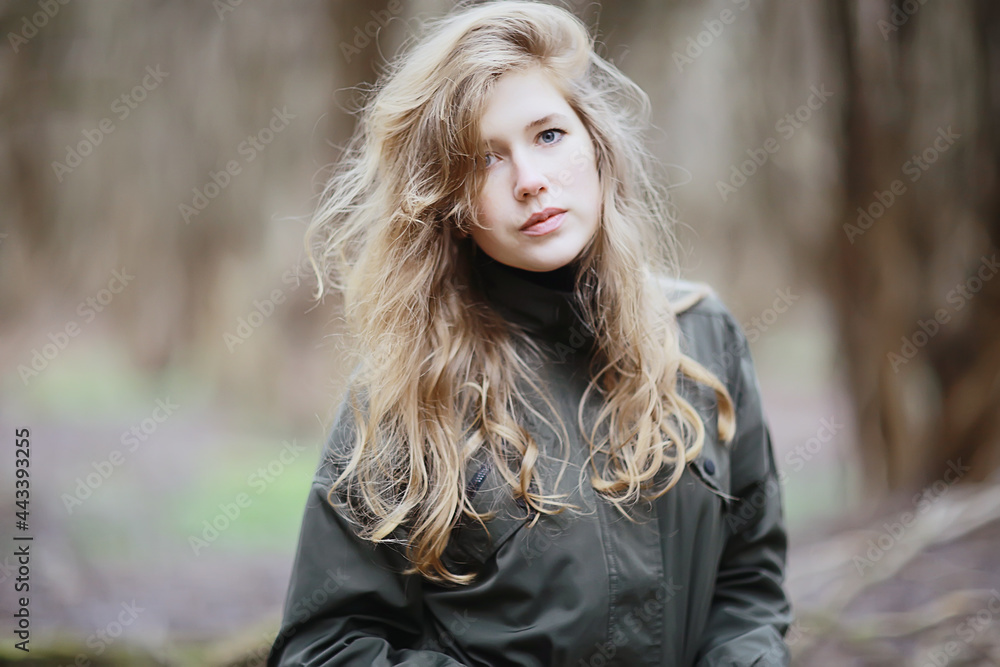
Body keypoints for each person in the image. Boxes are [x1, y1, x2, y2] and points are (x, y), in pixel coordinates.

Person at [267, 1, 793, 665]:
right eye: (485, 160)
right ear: (451, 205)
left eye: (548, 135)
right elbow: (326, 647)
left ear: (596, 146)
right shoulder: (408, 393)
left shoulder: (702, 340)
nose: (530, 182)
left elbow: (748, 582)